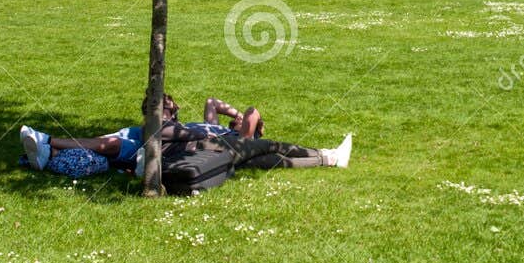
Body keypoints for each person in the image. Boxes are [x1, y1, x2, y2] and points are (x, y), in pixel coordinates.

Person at [19, 96, 351, 175]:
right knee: (271, 155)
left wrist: (239, 121)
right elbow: (211, 102)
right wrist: (230, 117)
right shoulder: (207, 124)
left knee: (271, 155)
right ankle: (330, 157)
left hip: (216, 148)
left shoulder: (221, 131)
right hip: (179, 146)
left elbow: (252, 114)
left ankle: (330, 158)